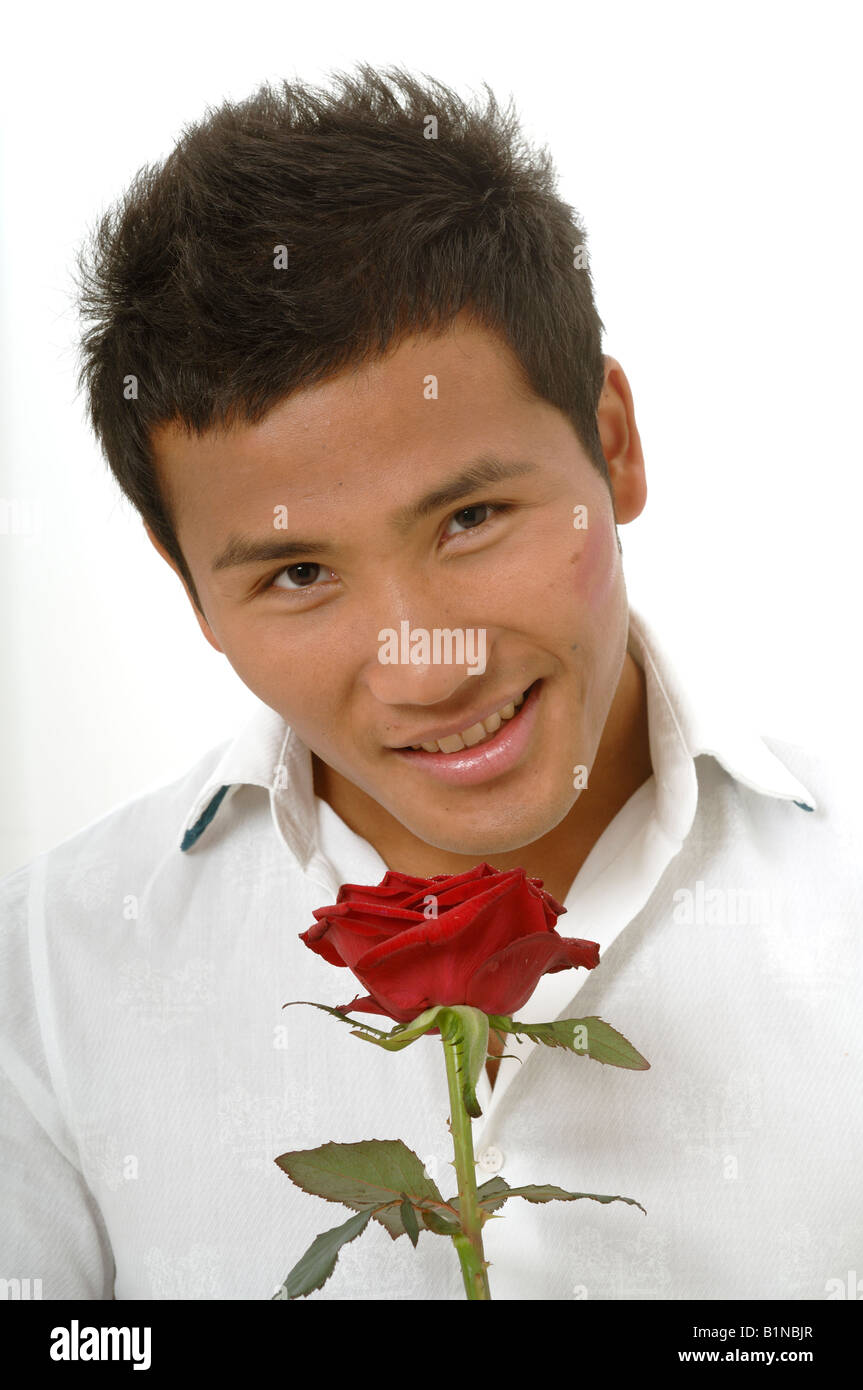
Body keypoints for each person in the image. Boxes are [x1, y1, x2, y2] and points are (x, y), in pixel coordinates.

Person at [1, 64, 859, 1302]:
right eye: (297, 571)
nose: (422, 663)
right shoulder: (44, 979)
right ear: (188, 584)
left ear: (610, 443)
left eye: (468, 517)